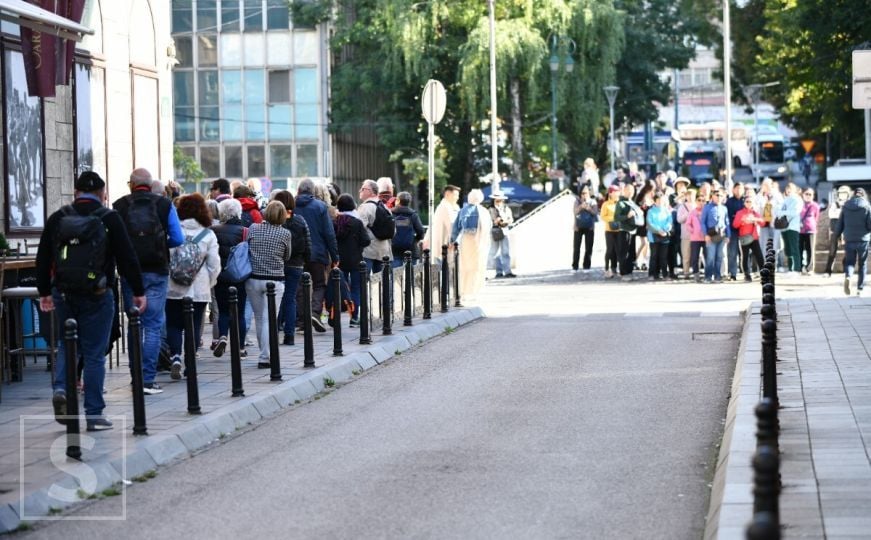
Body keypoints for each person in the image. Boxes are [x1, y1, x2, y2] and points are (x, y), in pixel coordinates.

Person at [37, 172, 146, 431]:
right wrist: (139, 290)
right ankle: (94, 414)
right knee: (95, 354)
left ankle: (62, 388)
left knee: (66, 344)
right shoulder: (109, 218)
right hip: (98, 293)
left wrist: (44, 292)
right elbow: (127, 256)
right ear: (101, 192)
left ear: (76, 192)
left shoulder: (58, 217)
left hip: (63, 293)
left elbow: (43, 256)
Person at [111, 168, 184, 395]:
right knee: (152, 325)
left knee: (135, 323)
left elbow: (113, 240)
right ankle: (148, 379)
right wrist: (162, 246)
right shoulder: (164, 205)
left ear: (131, 184)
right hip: (157, 271)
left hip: (129, 272)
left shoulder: (119, 206)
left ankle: (136, 377)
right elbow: (178, 238)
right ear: (151, 185)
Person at [165, 193, 221, 378]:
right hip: (199, 287)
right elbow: (214, 264)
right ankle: (190, 364)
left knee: (173, 324)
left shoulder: (173, 231)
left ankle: (175, 357)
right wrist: (210, 282)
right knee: (194, 326)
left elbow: (167, 258)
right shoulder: (208, 234)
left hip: (174, 285)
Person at [245, 201, 292, 366]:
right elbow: (287, 256)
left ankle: (264, 353)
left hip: (253, 278)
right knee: (269, 319)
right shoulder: (285, 234)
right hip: (275, 279)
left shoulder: (253, 228)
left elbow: (248, 247)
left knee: (259, 318)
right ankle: (265, 356)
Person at [294, 178, 339, 332]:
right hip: (317, 253)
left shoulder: (291, 206)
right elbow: (329, 233)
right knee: (320, 284)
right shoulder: (320, 207)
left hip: (297, 253)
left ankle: (301, 322)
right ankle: (314, 312)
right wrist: (335, 256)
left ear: (299, 190)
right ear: (312, 191)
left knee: (300, 286)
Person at [272, 191, 311, 345]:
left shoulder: (274, 222)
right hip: (296, 265)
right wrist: (306, 261)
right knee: (290, 298)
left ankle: (274, 330)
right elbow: (308, 243)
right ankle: (289, 335)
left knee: (275, 298)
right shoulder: (300, 221)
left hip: (278, 264)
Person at [211, 198, 249, 357]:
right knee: (239, 312)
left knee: (223, 310)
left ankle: (223, 336)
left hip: (220, 275)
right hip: (239, 276)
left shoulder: (213, 230)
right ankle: (240, 347)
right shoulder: (245, 231)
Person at [334, 194, 370, 327]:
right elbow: (366, 240)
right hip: (356, 261)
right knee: (356, 289)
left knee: (338, 288)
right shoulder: (357, 223)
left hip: (338, 261)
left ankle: (335, 316)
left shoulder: (335, 222)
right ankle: (354, 318)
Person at [450, 189, 492, 302]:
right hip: (480, 242)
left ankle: (463, 291)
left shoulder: (463, 210)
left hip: (466, 241)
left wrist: (452, 241)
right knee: (478, 267)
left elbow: (456, 228)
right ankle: (475, 291)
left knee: (464, 266)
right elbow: (490, 227)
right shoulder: (484, 211)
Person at [835, 188, 871, 296]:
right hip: (863, 239)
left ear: (853, 195)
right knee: (862, 264)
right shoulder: (867, 206)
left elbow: (840, 223)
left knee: (850, 262)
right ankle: (859, 288)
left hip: (849, 238)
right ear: (863, 195)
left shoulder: (846, 206)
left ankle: (848, 277)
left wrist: (837, 236)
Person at [357, 178, 393, 272]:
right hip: (384, 250)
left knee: (363, 280)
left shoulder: (364, 207)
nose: (360, 190)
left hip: (368, 251)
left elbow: (358, 229)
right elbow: (393, 230)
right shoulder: (385, 207)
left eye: (363, 188)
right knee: (382, 281)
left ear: (371, 192)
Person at [426, 184, 461, 264]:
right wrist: (454, 241)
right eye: (455, 195)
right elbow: (452, 226)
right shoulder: (446, 207)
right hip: (444, 247)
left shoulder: (450, 206)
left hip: (442, 247)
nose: (457, 197)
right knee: (443, 272)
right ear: (447, 194)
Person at [733, 195, 766, 282]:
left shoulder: (755, 213)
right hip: (744, 237)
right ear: (744, 203)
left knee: (759, 256)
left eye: (750, 202)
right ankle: (746, 275)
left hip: (754, 237)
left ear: (753, 203)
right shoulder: (740, 213)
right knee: (745, 257)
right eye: (747, 201)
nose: (748, 203)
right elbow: (735, 225)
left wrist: (756, 220)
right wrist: (742, 221)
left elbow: (763, 223)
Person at [391, 191, 425, 267]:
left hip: (394, 249)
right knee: (411, 275)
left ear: (398, 200)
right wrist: (415, 240)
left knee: (395, 276)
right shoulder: (413, 214)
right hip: (411, 249)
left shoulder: (391, 213)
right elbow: (421, 231)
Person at [702, 189, 729, 283]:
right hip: (711, 234)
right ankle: (708, 277)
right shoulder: (707, 207)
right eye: (717, 195)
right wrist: (706, 235)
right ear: (712, 196)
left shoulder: (724, 208)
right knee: (710, 257)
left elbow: (727, 222)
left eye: (721, 195)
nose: (718, 197)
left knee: (719, 256)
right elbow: (703, 223)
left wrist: (728, 235)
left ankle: (718, 276)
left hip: (721, 235)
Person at [614, 183, 640, 280]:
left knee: (632, 252)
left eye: (632, 191)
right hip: (624, 230)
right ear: (624, 190)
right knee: (623, 253)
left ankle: (629, 271)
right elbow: (616, 217)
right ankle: (623, 273)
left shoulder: (632, 202)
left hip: (633, 230)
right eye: (628, 190)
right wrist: (627, 216)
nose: (630, 192)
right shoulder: (620, 203)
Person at [825, 185, 851, 277]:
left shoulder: (850, 203)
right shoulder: (834, 204)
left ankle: (846, 269)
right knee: (832, 250)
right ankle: (828, 271)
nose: (842, 195)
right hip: (835, 230)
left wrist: (839, 212)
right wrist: (841, 212)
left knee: (848, 250)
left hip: (847, 230)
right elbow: (831, 214)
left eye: (844, 193)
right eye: (841, 193)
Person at [488, 192, 515, 278]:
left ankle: (508, 271)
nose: (499, 201)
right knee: (495, 252)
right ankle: (498, 271)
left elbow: (511, 220)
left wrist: (505, 221)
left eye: (500, 200)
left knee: (505, 252)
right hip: (494, 230)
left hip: (505, 230)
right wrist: (495, 221)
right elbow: (488, 222)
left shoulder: (506, 208)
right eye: (497, 200)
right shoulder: (490, 210)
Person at [646, 191, 673, 280]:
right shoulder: (650, 211)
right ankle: (652, 274)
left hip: (665, 236)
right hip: (653, 237)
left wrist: (665, 229)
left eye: (662, 200)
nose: (660, 202)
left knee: (663, 257)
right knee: (654, 256)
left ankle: (665, 274)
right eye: (659, 200)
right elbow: (650, 223)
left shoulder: (667, 211)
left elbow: (669, 221)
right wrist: (659, 230)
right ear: (655, 201)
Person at [778, 182, 803, 276]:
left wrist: (783, 213)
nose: (788, 190)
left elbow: (795, 212)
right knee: (787, 249)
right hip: (784, 227)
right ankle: (790, 269)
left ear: (794, 190)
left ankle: (797, 269)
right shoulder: (785, 199)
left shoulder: (797, 199)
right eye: (787, 188)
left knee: (794, 248)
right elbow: (778, 210)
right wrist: (782, 212)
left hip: (793, 226)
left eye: (790, 188)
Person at [572, 184, 598, 271]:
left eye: (586, 193)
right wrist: (581, 206)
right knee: (576, 247)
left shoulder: (593, 202)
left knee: (589, 247)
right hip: (578, 227)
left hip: (589, 227)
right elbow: (575, 213)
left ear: (589, 193)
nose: (584, 195)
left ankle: (586, 266)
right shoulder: (577, 201)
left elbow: (595, 213)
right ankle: (575, 266)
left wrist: (588, 208)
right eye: (582, 193)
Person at [725, 182, 745, 281]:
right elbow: (727, 217)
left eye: (740, 188)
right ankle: (732, 273)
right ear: (733, 190)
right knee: (732, 252)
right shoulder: (729, 202)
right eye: (736, 188)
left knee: (744, 253)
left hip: (744, 230)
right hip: (732, 230)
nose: (738, 190)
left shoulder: (746, 201)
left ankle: (746, 272)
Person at [601, 184, 621, 278]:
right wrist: (613, 218)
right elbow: (603, 216)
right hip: (609, 230)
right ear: (610, 193)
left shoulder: (620, 203)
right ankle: (606, 268)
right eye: (615, 191)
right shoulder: (605, 204)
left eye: (618, 191)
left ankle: (614, 268)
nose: (617, 193)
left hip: (619, 230)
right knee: (609, 250)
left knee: (617, 250)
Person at [799, 188, 820, 275]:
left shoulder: (815, 205)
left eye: (810, 194)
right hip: (800, 230)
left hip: (810, 230)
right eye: (806, 194)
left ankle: (810, 268)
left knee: (810, 249)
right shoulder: (800, 204)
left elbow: (816, 217)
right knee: (799, 249)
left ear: (813, 196)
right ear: (803, 195)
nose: (808, 196)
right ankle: (800, 267)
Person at [676, 187, 696, 279]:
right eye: (689, 195)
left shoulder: (697, 205)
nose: (691, 197)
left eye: (693, 195)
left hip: (697, 235)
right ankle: (686, 272)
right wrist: (687, 215)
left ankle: (696, 272)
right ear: (686, 196)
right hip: (686, 234)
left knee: (697, 255)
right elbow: (679, 219)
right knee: (686, 255)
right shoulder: (682, 207)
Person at [686, 195, 706, 281]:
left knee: (707, 256)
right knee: (695, 257)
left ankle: (708, 273)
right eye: (699, 200)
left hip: (705, 238)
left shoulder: (706, 212)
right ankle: (696, 274)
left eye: (703, 200)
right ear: (696, 201)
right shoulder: (692, 212)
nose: (701, 202)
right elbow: (688, 224)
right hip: (695, 239)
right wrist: (693, 231)